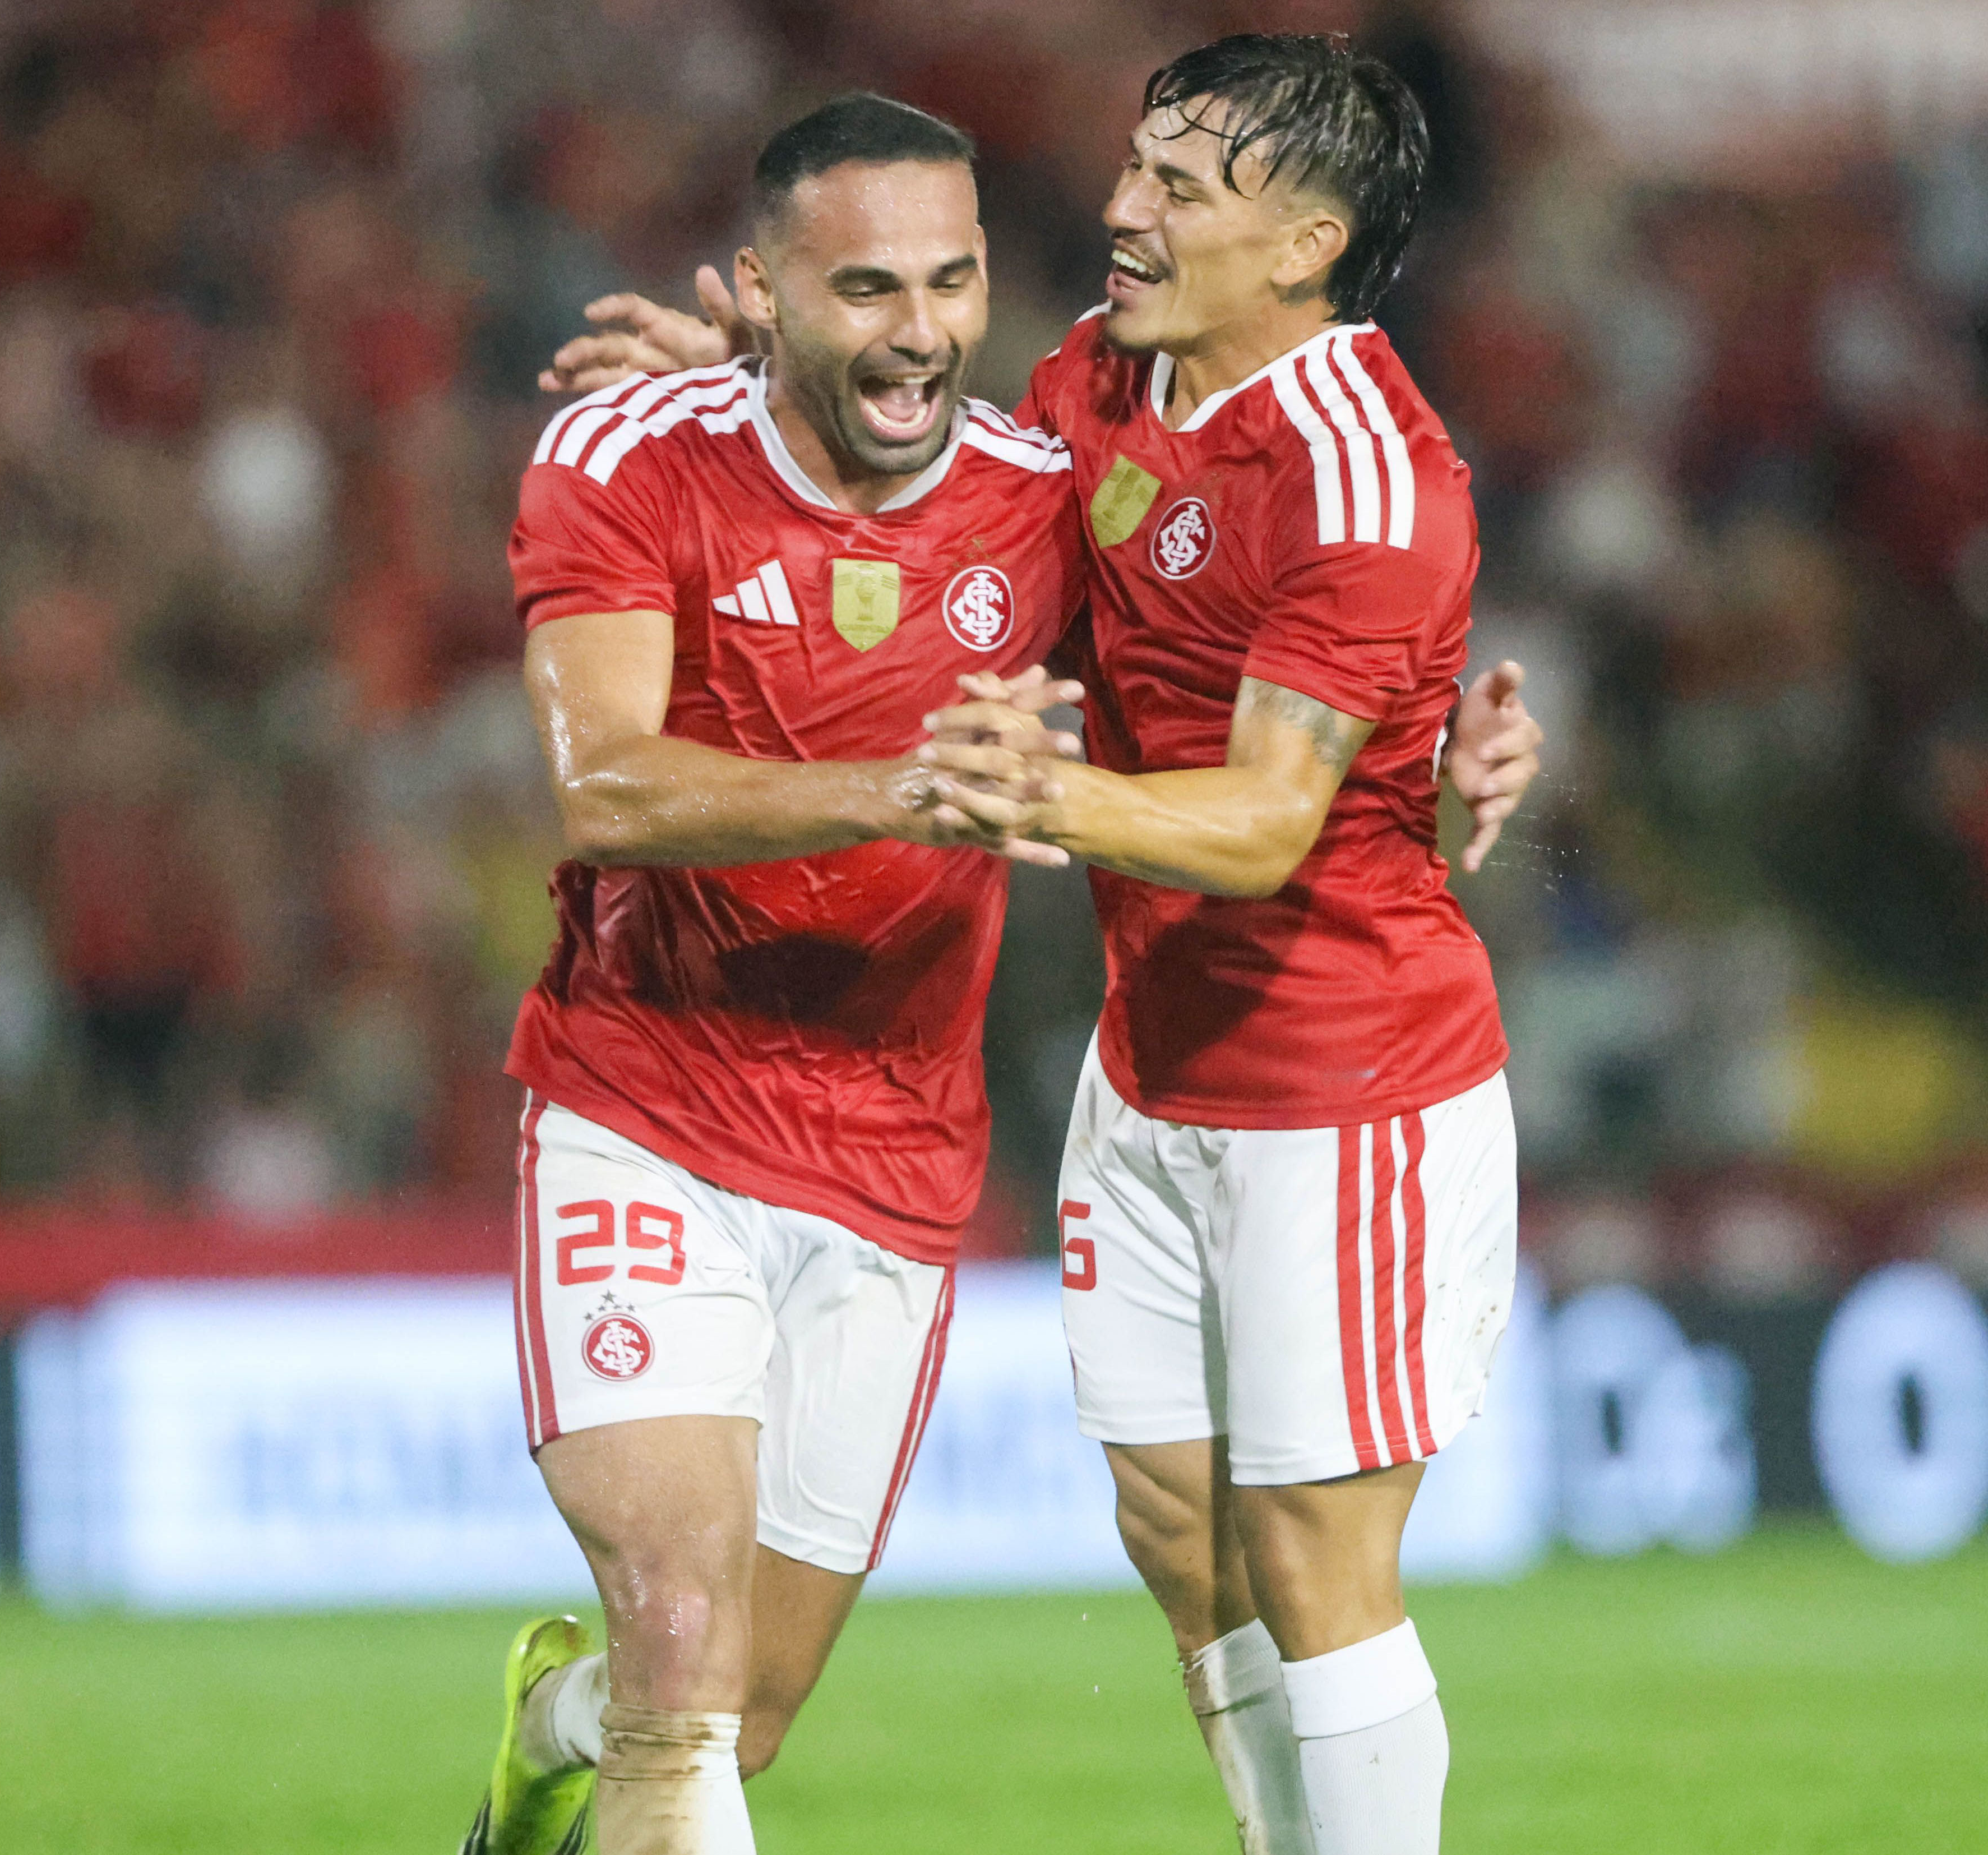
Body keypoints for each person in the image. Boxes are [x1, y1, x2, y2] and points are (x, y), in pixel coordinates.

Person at [545, 35, 1534, 1855]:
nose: (1122, 207)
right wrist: (767, 400)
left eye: (1181, 183)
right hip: (1149, 1071)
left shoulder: (1372, 480)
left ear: (1304, 238)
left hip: (1348, 1084)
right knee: (1182, 1541)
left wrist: (1010, 793)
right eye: (1140, 165)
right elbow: (968, 489)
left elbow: (1262, 822)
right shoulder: (1109, 379)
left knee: (1314, 1551)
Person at [466, 94, 1090, 1855]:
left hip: (893, 1156)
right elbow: (609, 783)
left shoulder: (1044, 504)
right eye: (867, 290)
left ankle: (546, 1735)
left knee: (732, 1717)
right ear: (763, 288)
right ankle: (619, 1711)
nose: (922, 334)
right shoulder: (627, 460)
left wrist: (1440, 768)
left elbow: (1232, 673)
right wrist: (905, 785)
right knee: (680, 1622)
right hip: (647, 1105)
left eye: (953, 285)